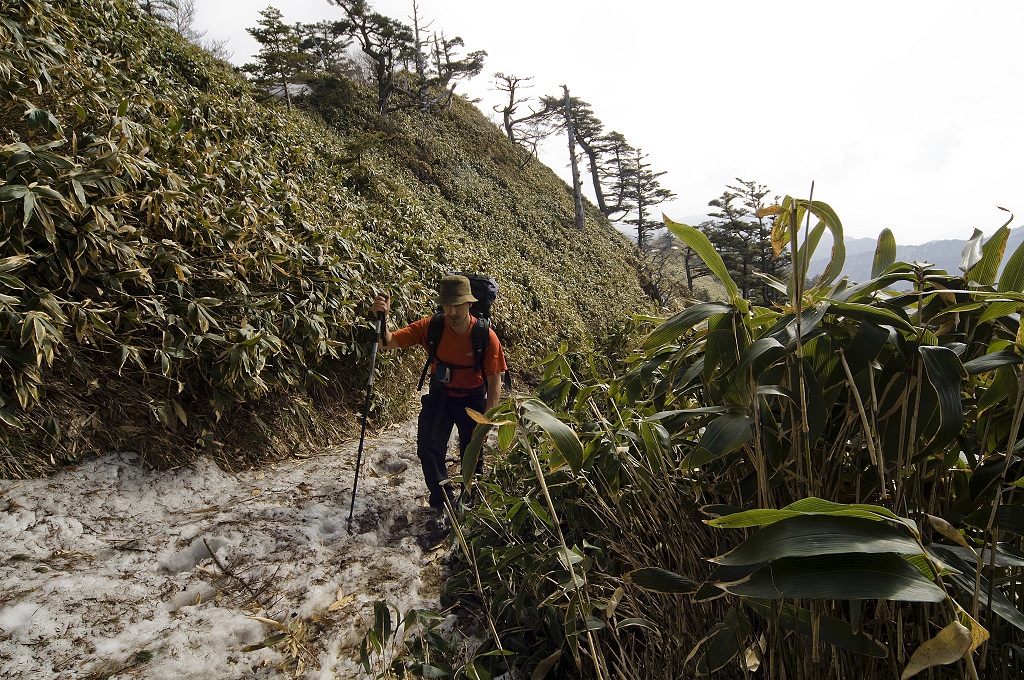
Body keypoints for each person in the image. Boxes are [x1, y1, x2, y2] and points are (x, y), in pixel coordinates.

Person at [371, 275, 507, 533]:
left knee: (472, 453)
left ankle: (469, 501)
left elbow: (494, 384)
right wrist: (382, 317)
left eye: (458, 305)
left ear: (470, 304)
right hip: (441, 396)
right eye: (447, 305)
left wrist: (486, 422)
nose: (453, 311)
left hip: (473, 398)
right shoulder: (431, 327)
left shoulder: (485, 337)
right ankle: (443, 503)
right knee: (428, 448)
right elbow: (387, 343)